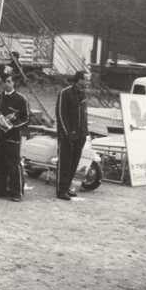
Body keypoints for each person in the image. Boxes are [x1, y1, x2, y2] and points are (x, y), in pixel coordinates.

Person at [0, 74, 30, 202]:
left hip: (12, 137)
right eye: (4, 81)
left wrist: (13, 125)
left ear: (14, 84)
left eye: (8, 82)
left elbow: (26, 119)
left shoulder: (21, 99)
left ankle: (16, 192)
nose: (6, 84)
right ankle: (0, 189)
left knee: (13, 164)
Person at [55, 70, 90, 200]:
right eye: (85, 79)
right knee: (65, 163)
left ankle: (68, 187)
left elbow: (84, 114)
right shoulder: (65, 93)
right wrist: (67, 133)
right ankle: (61, 190)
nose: (87, 82)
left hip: (80, 136)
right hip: (67, 136)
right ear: (78, 80)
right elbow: (61, 115)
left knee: (74, 163)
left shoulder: (83, 94)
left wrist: (85, 132)